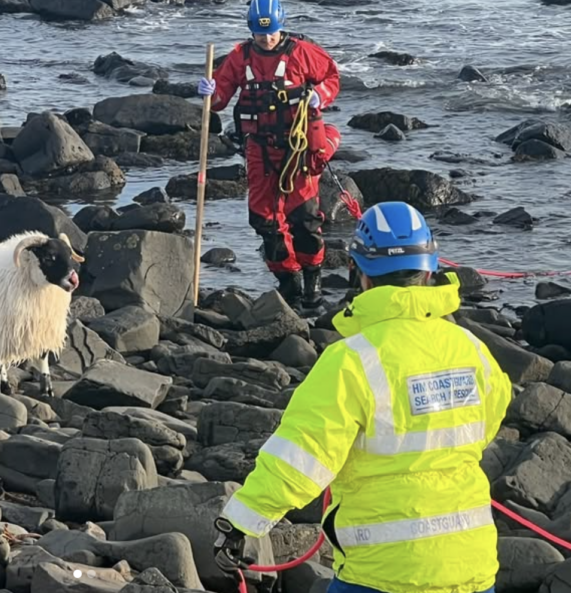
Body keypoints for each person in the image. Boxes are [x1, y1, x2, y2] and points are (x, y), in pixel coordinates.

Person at [212, 201, 512, 593]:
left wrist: (240, 523)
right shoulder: (470, 348)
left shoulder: (352, 360)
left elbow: (299, 461)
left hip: (380, 573)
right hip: (470, 567)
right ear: (431, 269)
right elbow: (489, 418)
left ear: (358, 272)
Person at [198, 0, 341, 307]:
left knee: (304, 219)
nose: (266, 38)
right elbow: (220, 97)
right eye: (260, 33)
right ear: (251, 30)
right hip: (259, 148)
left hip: (298, 146)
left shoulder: (303, 52)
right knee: (264, 219)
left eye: (271, 32)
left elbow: (332, 76)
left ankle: (312, 281)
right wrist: (210, 91)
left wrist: (320, 95)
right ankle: (287, 280)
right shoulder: (240, 56)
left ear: (282, 25)